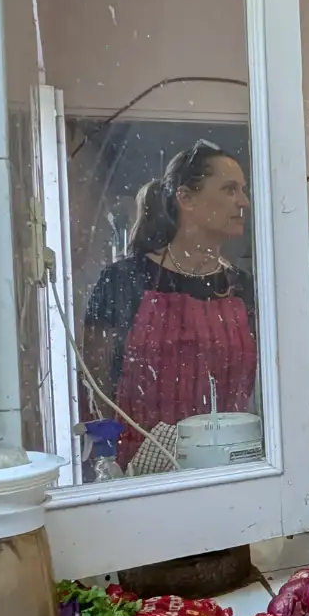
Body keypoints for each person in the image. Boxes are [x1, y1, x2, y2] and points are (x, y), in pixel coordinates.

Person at [84, 140, 255, 471]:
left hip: (233, 467)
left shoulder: (241, 287)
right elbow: (93, 386)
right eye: (230, 190)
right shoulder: (124, 281)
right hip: (143, 473)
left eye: (243, 190)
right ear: (186, 198)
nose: (243, 202)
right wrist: (106, 464)